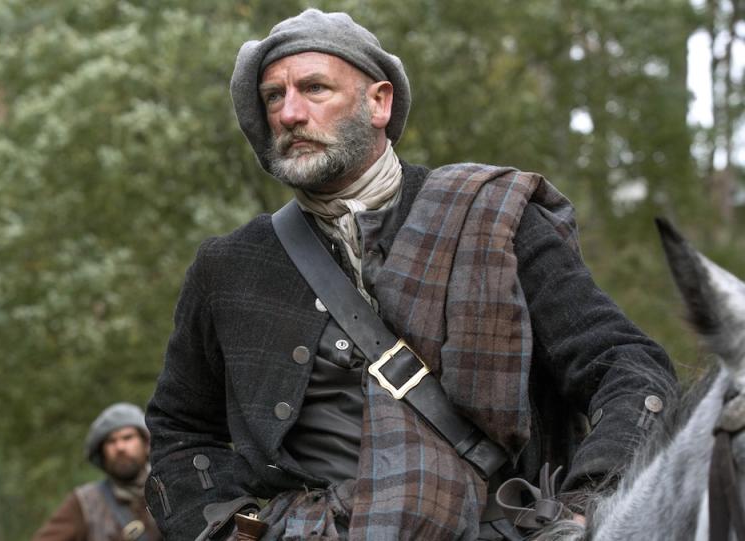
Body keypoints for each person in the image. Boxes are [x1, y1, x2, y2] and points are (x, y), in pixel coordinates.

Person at [145, 8, 678, 541]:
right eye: (273, 97)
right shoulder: (229, 267)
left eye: (314, 88)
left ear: (379, 102)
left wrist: (589, 508)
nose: (289, 114)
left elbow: (627, 367)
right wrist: (221, 529)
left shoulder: (494, 217)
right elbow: (181, 430)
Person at [32, 402, 161, 541]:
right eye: (111, 441)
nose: (120, 447)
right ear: (102, 453)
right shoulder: (85, 503)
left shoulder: (168, 489)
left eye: (127, 437)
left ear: (146, 444)